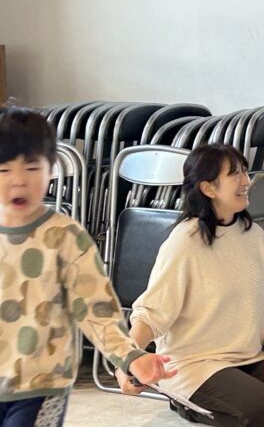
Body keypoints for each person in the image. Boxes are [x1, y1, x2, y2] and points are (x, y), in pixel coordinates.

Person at [0, 108, 175, 427]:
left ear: (51, 168)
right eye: (4, 170)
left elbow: (96, 309)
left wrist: (130, 357)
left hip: (41, 384)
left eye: (32, 167)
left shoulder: (65, 237)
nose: (19, 180)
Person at [116, 144, 264, 427]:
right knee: (263, 410)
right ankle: (180, 398)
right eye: (235, 174)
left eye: (245, 172)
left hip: (245, 356)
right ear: (208, 188)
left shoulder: (253, 235)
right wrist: (128, 360)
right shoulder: (185, 241)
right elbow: (151, 312)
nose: (246, 181)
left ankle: (227, 394)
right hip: (193, 362)